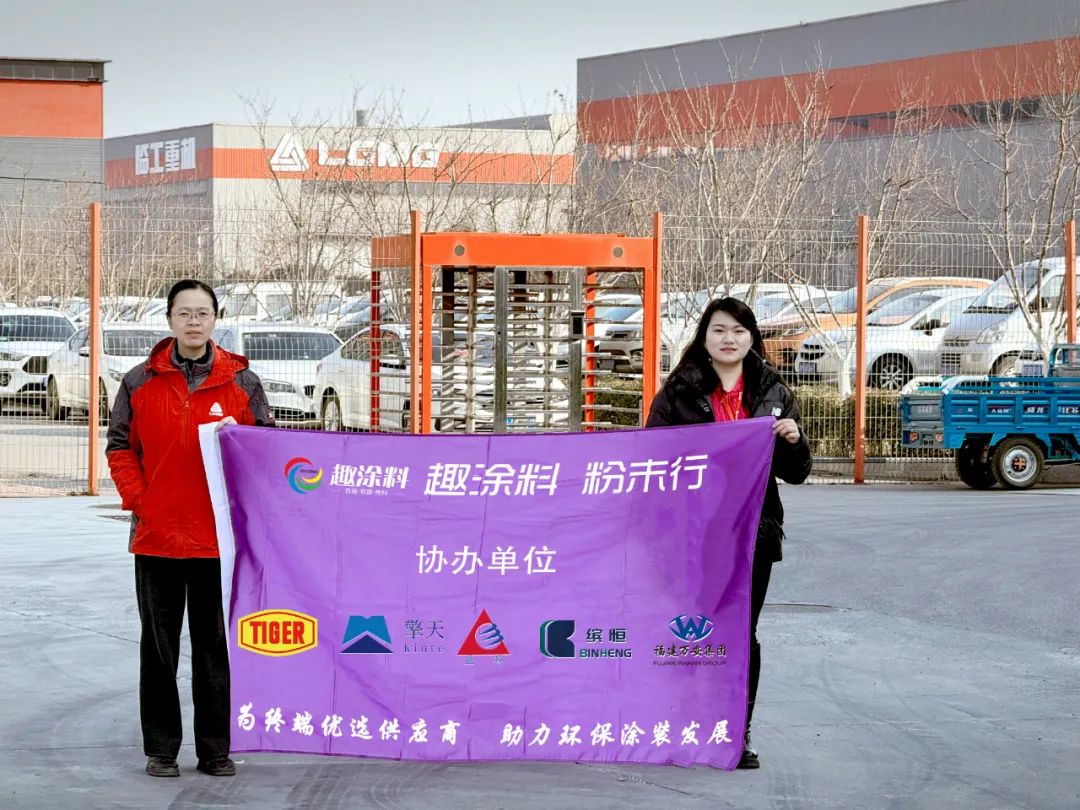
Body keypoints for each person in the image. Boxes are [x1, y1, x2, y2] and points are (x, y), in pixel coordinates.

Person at [107, 279, 274, 778]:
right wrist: (141, 501)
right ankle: (161, 749)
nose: (194, 321)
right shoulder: (140, 380)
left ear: (215, 319)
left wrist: (241, 505)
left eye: (202, 313)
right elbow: (120, 447)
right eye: (184, 313)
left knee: (212, 648)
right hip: (156, 537)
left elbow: (264, 450)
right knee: (158, 648)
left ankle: (215, 750)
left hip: (216, 540)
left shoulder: (242, 383)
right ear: (170, 320)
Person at [646, 296, 812, 770]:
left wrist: (793, 442)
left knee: (742, 631)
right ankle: (681, 723)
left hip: (754, 533)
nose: (729, 339)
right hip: (693, 536)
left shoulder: (773, 393)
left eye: (739, 331)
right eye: (719, 330)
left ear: (752, 338)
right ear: (704, 336)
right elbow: (653, 461)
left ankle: (736, 731)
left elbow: (797, 472)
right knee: (689, 629)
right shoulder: (678, 392)